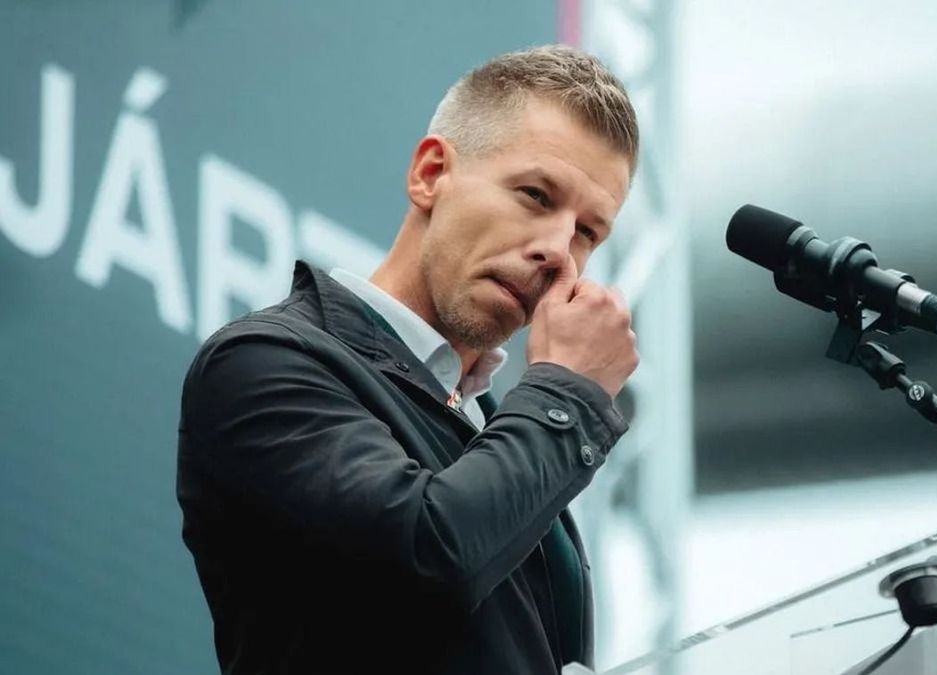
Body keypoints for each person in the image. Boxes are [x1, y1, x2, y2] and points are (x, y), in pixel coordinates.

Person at [176, 45, 640, 675]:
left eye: (588, 232)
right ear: (430, 173)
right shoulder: (264, 361)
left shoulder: (498, 428)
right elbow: (425, 557)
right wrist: (566, 394)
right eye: (535, 195)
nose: (559, 251)